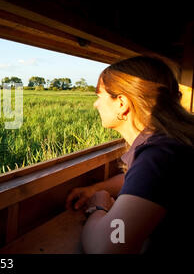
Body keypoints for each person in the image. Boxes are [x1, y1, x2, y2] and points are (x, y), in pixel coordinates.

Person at [65, 56, 194, 254]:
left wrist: (98, 208)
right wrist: (96, 188)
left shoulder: (159, 155)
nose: (96, 105)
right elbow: (143, 183)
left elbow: (107, 248)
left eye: (99, 96)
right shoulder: (171, 142)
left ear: (122, 103)